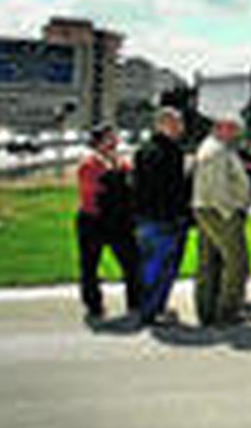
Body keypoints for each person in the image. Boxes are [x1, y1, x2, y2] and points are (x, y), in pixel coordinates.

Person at [73, 125, 141, 321]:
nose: (114, 142)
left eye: (115, 138)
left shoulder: (120, 162)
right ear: (98, 142)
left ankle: (135, 301)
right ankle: (94, 304)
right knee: (90, 265)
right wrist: (120, 184)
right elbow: (96, 192)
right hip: (94, 220)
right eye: (109, 139)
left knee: (132, 262)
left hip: (119, 221)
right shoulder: (89, 164)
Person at [191, 117, 251, 329]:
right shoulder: (216, 151)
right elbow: (217, 188)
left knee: (209, 263)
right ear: (219, 128)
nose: (236, 133)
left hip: (208, 209)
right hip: (219, 212)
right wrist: (231, 212)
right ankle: (228, 312)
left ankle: (207, 311)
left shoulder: (213, 148)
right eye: (232, 128)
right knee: (238, 263)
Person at [134, 108, 192, 326]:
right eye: (176, 123)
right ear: (162, 125)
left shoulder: (143, 151)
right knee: (164, 268)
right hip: (167, 219)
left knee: (149, 267)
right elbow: (174, 189)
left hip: (146, 218)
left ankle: (148, 308)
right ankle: (152, 310)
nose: (180, 128)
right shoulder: (171, 152)